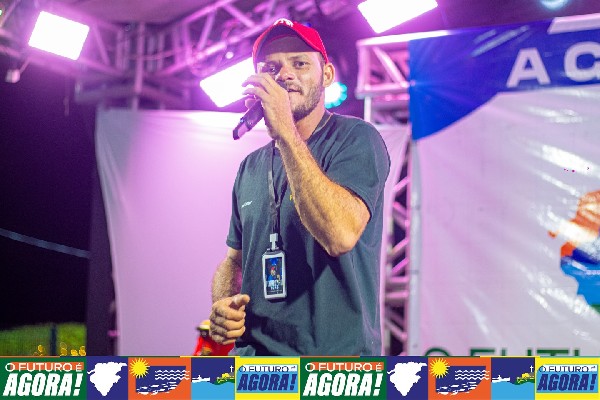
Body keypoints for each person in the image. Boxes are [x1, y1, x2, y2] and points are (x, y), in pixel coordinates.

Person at [209, 18, 390, 355]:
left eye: (300, 63)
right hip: (255, 364)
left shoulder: (356, 139)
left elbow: (339, 235)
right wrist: (223, 303)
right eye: (271, 68)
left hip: (334, 366)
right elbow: (234, 260)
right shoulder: (249, 167)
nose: (284, 75)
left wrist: (285, 133)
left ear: (327, 75)